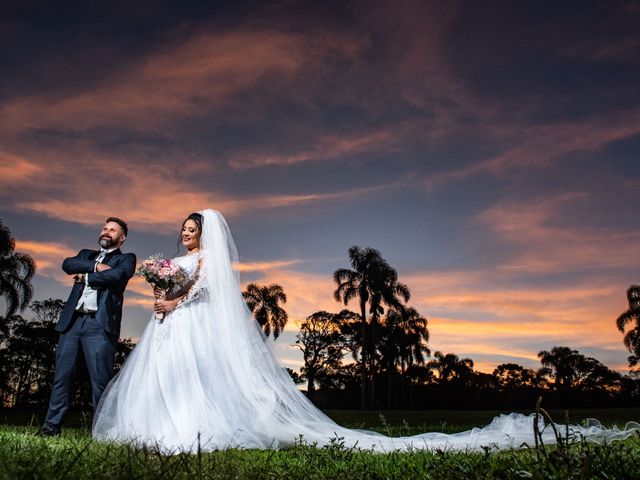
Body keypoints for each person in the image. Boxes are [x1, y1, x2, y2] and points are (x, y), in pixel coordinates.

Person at [93, 210, 638, 453]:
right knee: (163, 379)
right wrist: (160, 294)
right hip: (170, 325)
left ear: (204, 232)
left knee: (195, 384)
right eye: (184, 230)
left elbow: (199, 290)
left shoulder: (210, 258)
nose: (187, 235)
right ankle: (153, 429)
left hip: (186, 321)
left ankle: (189, 432)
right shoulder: (174, 259)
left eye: (192, 229)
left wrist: (172, 294)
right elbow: (171, 287)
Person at [42, 217, 136, 436]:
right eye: (105, 228)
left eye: (112, 230)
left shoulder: (126, 259)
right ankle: (50, 428)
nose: (106, 232)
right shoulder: (86, 254)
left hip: (99, 325)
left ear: (121, 238)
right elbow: (67, 264)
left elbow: (118, 275)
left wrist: (85, 277)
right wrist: (95, 266)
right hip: (72, 323)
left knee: (100, 381)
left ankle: (102, 434)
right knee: (61, 377)